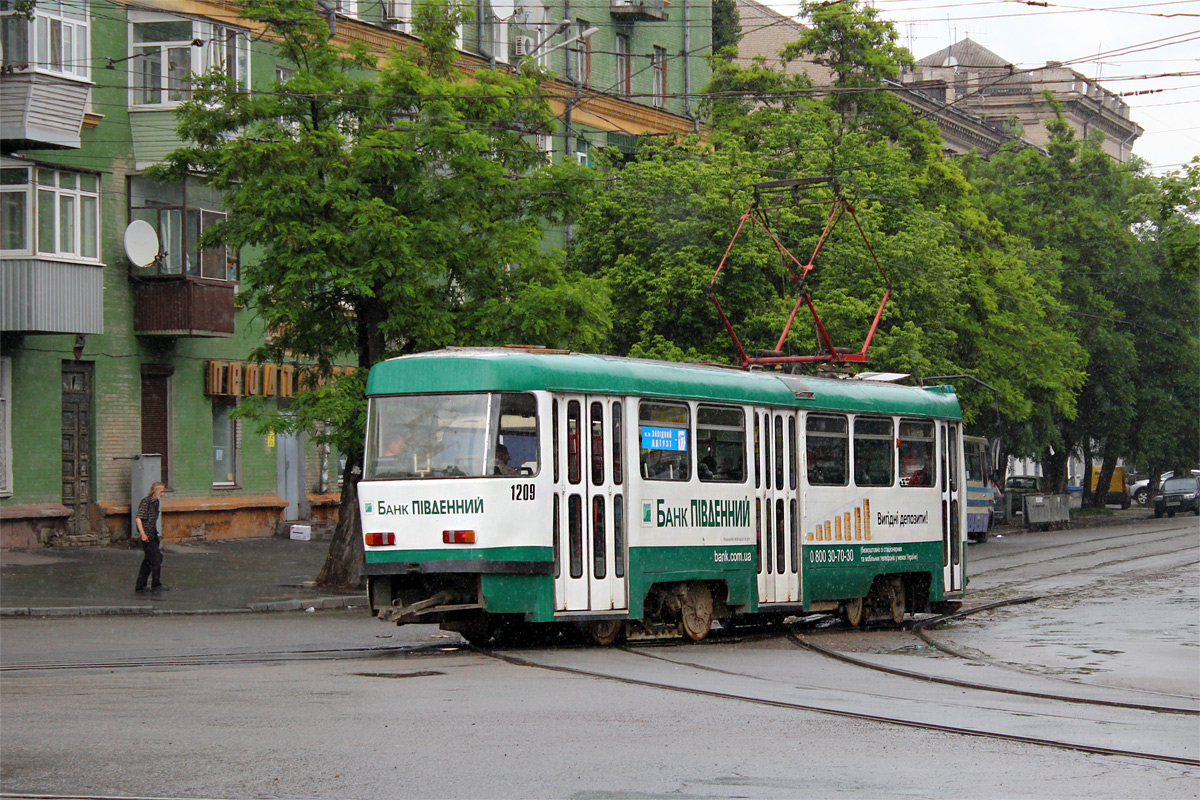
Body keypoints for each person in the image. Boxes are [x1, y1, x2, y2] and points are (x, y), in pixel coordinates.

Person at [134, 482, 167, 593]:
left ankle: (140, 585)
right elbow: (139, 518)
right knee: (156, 559)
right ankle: (156, 585)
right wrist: (143, 534)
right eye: (161, 491)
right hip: (147, 535)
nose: (162, 494)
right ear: (154, 490)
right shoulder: (146, 501)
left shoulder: (156, 502)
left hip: (153, 534)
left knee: (148, 560)